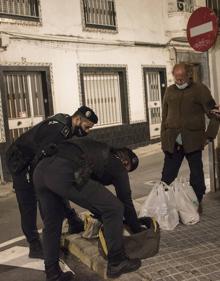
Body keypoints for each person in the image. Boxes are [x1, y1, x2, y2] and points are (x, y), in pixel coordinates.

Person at [33, 138, 141, 281]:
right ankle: (117, 261)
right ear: (126, 162)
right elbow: (125, 202)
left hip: (40, 171)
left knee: (52, 223)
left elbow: (92, 197)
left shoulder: (98, 150)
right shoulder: (117, 164)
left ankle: (52, 273)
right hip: (63, 171)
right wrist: (138, 229)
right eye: (128, 171)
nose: (125, 173)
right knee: (115, 208)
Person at [6, 106, 98, 259]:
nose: (88, 131)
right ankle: (35, 245)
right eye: (87, 127)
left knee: (56, 186)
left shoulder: (67, 126)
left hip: (33, 159)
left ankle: (72, 220)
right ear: (78, 119)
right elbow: (39, 158)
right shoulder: (59, 130)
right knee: (29, 203)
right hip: (21, 161)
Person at [160, 63, 219, 213]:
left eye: (182, 78)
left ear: (189, 75)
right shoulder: (169, 91)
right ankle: (165, 206)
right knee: (167, 176)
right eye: (176, 78)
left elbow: (215, 114)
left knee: (197, 175)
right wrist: (164, 140)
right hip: (173, 141)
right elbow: (164, 117)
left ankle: (196, 203)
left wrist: (209, 136)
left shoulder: (200, 90)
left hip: (193, 140)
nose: (179, 81)